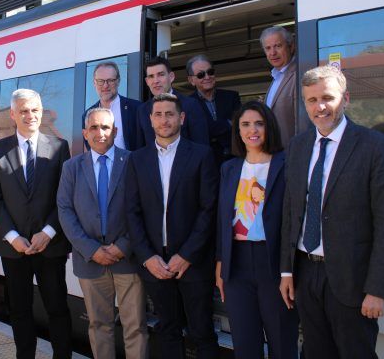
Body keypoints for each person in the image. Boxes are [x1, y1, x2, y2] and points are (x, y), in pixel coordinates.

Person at [279, 65, 384, 359]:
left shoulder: (375, 147)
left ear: (345, 98)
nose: (320, 107)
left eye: (328, 97)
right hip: (305, 273)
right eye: (311, 100)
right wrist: (286, 271)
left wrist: (377, 289)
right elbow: (291, 211)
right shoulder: (298, 146)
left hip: (353, 279)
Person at [125, 93, 219, 359]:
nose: (164, 120)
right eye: (158, 114)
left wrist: (187, 254)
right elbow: (132, 212)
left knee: (202, 332)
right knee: (167, 329)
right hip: (155, 262)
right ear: (150, 120)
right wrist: (147, 257)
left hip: (193, 261)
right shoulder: (137, 159)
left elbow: (208, 210)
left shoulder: (202, 155)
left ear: (182, 117)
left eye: (169, 114)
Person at [0, 88, 72, 359]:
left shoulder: (59, 148)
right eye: (23, 110)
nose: (30, 115)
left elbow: (65, 196)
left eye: (35, 109)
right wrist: (12, 236)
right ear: (13, 114)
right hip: (15, 249)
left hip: (51, 246)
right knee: (20, 311)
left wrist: (48, 232)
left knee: (57, 309)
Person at [57, 108, 148, 359]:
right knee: (99, 326)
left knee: (136, 327)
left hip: (127, 260)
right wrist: (91, 249)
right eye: (94, 128)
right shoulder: (71, 167)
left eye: (106, 127)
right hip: (90, 261)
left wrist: (124, 246)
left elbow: (142, 208)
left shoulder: (132, 162)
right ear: (85, 133)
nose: (100, 133)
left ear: (115, 131)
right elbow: (64, 210)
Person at [215, 101, 298, 359]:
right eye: (246, 124)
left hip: (273, 263)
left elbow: (294, 219)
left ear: (269, 127)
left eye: (259, 123)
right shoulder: (229, 168)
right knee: (245, 343)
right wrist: (220, 262)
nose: (253, 130)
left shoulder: (287, 164)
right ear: (238, 131)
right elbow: (222, 219)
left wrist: (289, 269)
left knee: (282, 342)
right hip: (236, 266)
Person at [136, 56, 209, 148]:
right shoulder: (142, 110)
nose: (156, 81)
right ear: (147, 81)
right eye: (151, 76)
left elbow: (201, 147)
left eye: (161, 74)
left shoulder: (191, 105)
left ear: (171, 77)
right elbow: (141, 150)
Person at [187, 54, 241, 166]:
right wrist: (227, 124)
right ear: (191, 80)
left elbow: (240, 125)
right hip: (205, 164)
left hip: (234, 160)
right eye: (201, 75)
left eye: (210, 72)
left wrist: (207, 128)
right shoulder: (186, 104)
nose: (207, 77)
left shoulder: (232, 97)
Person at [83, 61, 142, 151]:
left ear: (118, 81)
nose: (105, 85)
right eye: (100, 81)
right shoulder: (87, 115)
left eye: (110, 80)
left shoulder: (137, 108)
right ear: (94, 83)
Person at [261, 26, 297, 147]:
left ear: (291, 47)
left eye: (278, 46)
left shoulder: (299, 75)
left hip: (292, 153)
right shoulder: (276, 78)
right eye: (268, 48)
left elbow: (303, 123)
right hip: (275, 153)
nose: (272, 53)